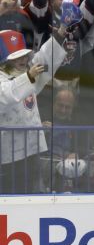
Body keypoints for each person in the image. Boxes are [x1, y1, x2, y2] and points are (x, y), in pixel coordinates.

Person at [0, 28, 66, 194]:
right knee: (12, 195)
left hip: (32, 149)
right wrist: (28, 76)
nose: (23, 60)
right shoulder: (17, 76)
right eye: (16, 57)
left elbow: (45, 57)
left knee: (32, 193)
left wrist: (60, 34)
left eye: (24, 56)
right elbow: (6, 95)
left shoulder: (28, 72)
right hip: (8, 156)